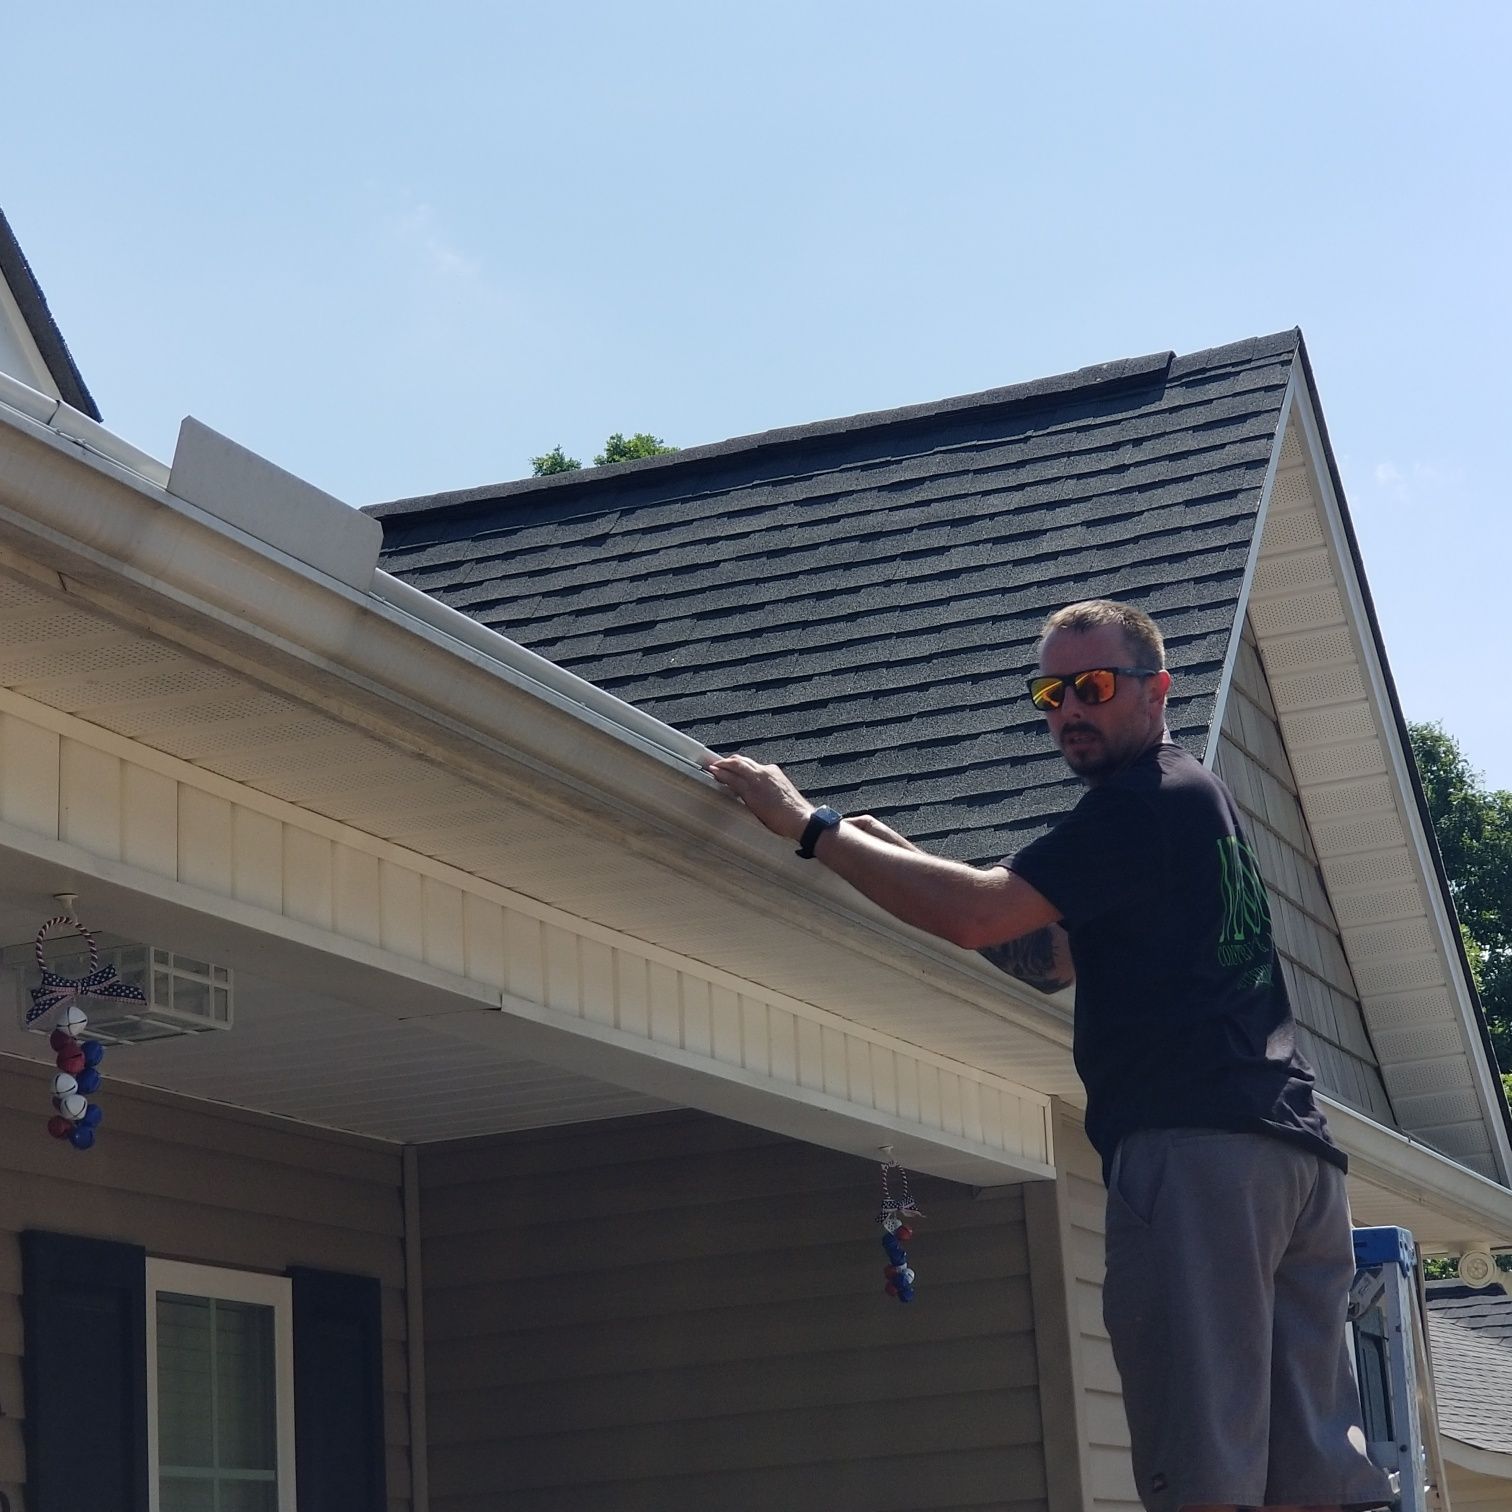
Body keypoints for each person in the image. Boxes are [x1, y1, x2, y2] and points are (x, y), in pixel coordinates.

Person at [707, 598, 1392, 1512]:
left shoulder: (1139, 802)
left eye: (1095, 685)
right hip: (1293, 1159)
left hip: (1197, 1156)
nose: (1070, 707)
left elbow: (979, 913)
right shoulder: (1194, 798)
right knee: (1307, 1481)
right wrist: (900, 858)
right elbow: (1044, 955)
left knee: (1204, 1475)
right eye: (1051, 691)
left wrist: (809, 827)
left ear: (1158, 692)